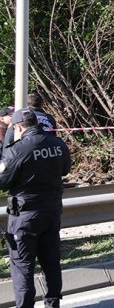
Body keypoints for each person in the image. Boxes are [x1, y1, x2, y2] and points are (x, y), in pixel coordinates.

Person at [0, 108, 71, 308]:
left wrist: (7, 147)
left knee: (22, 267)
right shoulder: (58, 144)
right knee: (51, 263)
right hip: (51, 213)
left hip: (24, 217)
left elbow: (2, 182)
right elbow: (65, 169)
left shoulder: (16, 150)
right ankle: (52, 304)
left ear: (18, 127)